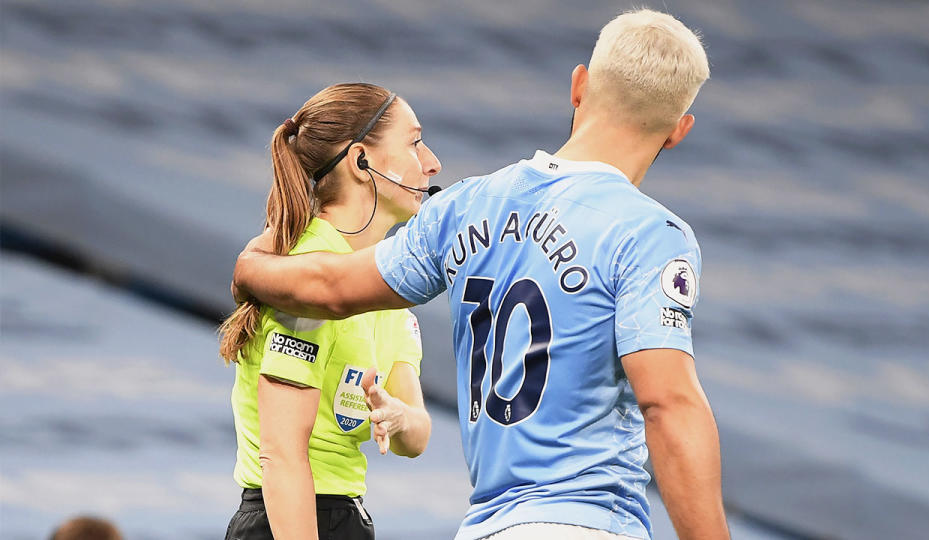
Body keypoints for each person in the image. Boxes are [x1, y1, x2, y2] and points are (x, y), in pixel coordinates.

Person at [232, 10, 729, 540]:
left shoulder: (465, 206)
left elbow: (328, 290)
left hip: (486, 526)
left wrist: (249, 268)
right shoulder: (650, 233)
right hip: (589, 522)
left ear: (578, 86)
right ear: (679, 131)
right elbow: (668, 404)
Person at [218, 83, 440, 540]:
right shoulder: (307, 283)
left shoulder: (381, 283)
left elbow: (416, 437)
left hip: (345, 516)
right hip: (288, 520)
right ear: (362, 161)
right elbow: (281, 457)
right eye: (414, 142)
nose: (432, 162)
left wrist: (398, 416)